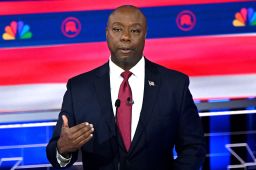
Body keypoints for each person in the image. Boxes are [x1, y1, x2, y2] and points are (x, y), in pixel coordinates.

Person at [46, 5, 206, 170]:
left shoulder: (174, 85)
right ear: (106, 33)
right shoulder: (79, 88)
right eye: (117, 29)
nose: (125, 37)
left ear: (145, 34)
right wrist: (62, 149)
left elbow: (194, 147)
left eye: (135, 31)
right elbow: (55, 155)